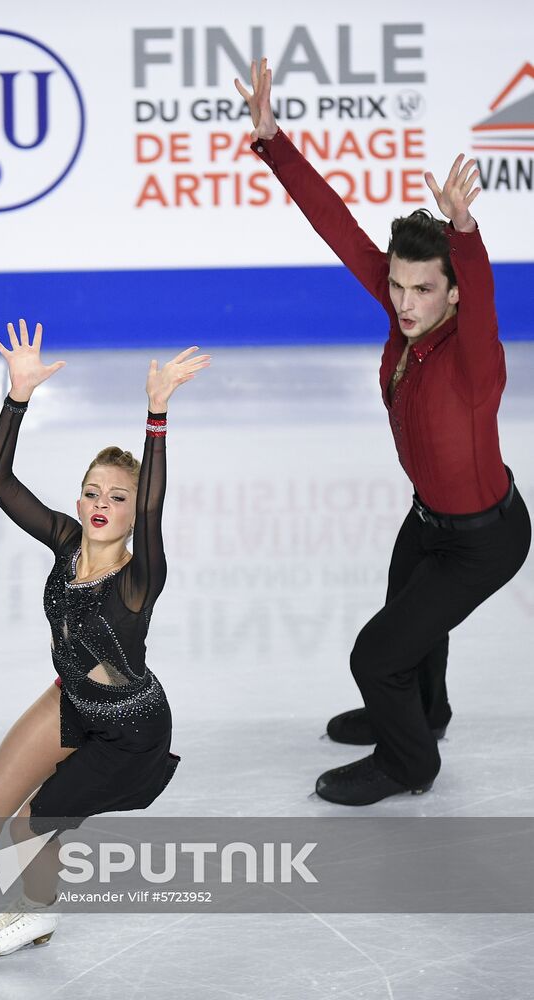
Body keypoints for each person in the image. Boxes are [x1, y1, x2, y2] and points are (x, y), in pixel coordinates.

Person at [235, 60, 531, 805]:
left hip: (484, 536)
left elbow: (485, 296)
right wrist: (273, 143)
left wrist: (465, 232)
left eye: (422, 288)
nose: (403, 301)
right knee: (411, 633)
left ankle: (410, 764)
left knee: (376, 655)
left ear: (451, 290)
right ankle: (422, 715)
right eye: (396, 285)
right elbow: (336, 224)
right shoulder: (407, 316)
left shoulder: (474, 356)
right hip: (428, 519)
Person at [0, 320, 210, 954]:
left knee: (30, 825)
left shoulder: (140, 578)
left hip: (131, 730)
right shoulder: (65, 541)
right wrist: (17, 396)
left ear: (135, 513)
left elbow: (158, 503)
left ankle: (36, 911)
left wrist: (156, 415)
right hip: (71, 700)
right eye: (91, 491)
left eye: (118, 497)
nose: (101, 503)